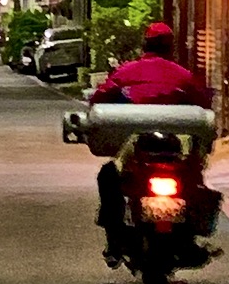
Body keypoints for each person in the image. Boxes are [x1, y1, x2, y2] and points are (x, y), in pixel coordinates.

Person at [91, 22, 213, 267]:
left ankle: (114, 239)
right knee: (196, 178)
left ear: (144, 45)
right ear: (171, 47)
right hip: (174, 150)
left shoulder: (127, 72)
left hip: (141, 148)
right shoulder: (183, 75)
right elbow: (203, 102)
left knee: (109, 175)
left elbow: (99, 98)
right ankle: (190, 237)